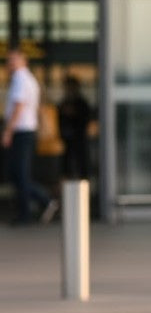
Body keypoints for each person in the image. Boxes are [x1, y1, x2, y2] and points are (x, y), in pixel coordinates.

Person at [2, 48, 58, 225]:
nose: (9, 64)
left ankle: (36, 207)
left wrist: (8, 131)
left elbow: (18, 107)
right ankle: (35, 206)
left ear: (22, 61)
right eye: (8, 61)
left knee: (20, 173)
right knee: (17, 173)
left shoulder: (20, 79)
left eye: (12, 61)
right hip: (25, 132)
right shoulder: (28, 79)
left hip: (22, 132)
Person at [58, 75, 92, 179]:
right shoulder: (64, 102)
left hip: (79, 138)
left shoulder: (82, 103)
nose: (68, 89)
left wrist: (74, 113)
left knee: (81, 162)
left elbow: (85, 119)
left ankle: (84, 185)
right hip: (66, 139)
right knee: (67, 164)